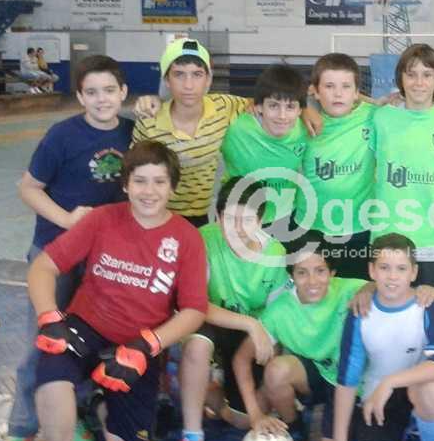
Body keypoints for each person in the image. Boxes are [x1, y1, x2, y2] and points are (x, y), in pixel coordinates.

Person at [22, 141, 208, 441]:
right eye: (140, 181)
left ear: (173, 187)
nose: (149, 191)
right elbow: (44, 267)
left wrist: (147, 345)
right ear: (125, 184)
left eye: (159, 182)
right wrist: (49, 317)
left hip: (138, 342)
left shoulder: (187, 237)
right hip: (86, 326)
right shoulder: (102, 219)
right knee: (52, 372)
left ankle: (97, 401)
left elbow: (194, 310)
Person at [0, 55, 134, 441]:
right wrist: (68, 220)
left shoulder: (132, 132)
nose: (102, 99)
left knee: (85, 341)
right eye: (92, 92)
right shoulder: (62, 135)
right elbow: (29, 188)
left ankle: (76, 415)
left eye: (109, 90)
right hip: (55, 253)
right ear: (80, 96)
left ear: (123, 92)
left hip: (102, 259)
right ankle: (21, 426)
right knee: (43, 339)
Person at [322, 233, 434, 441]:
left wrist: (391, 382)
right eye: (384, 268)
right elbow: (347, 379)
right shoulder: (360, 312)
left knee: (431, 386)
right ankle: (407, 430)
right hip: (379, 399)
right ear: (372, 271)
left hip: (419, 389)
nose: (392, 276)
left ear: (414, 272)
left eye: (401, 268)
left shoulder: (427, 306)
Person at [170, 176, 289, 441]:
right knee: (197, 344)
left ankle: (212, 393)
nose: (237, 229)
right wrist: (249, 322)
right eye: (229, 219)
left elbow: (276, 322)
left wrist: (268, 378)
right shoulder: (203, 239)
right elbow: (195, 304)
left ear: (260, 220)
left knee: (243, 420)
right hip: (211, 320)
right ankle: (192, 438)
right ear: (218, 216)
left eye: (247, 220)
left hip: (250, 336)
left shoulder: (275, 254)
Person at [232, 231, 367, 441]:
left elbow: (382, 287)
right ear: (291, 275)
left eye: (320, 271)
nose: (312, 281)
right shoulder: (279, 311)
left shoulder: (349, 289)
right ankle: (295, 428)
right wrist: (255, 415)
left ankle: (328, 419)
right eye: (302, 272)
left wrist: (370, 290)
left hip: (355, 384)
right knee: (276, 371)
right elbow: (241, 359)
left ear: (332, 273)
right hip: (317, 378)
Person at [370, 44, 434, 292]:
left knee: (433, 311)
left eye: (427, 75)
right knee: (388, 312)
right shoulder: (381, 117)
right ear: (400, 78)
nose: (419, 82)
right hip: (389, 237)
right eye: (411, 74)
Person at [131, 38, 251, 227]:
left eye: (197, 74)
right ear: (167, 80)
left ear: (208, 79)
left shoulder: (224, 107)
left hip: (200, 216)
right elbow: (134, 172)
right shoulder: (149, 121)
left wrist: (301, 111)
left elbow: (263, 103)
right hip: (155, 212)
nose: (188, 85)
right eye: (179, 74)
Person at [295, 53, 376, 279]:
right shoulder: (302, 122)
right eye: (329, 86)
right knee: (314, 292)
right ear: (315, 91)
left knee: (357, 293)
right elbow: (265, 99)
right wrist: (302, 107)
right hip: (312, 227)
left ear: (357, 92)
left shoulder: (372, 116)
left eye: (346, 87)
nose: (338, 94)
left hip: (359, 228)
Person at [221, 64, 308, 244]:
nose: (282, 116)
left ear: (300, 110)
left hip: (284, 219)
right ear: (259, 106)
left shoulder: (305, 131)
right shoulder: (236, 129)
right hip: (240, 222)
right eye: (273, 106)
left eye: (290, 107)